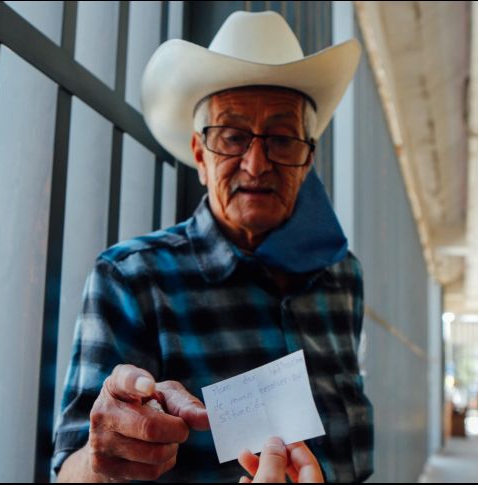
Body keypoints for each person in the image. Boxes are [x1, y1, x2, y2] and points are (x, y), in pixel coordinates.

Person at [53, 10, 372, 483]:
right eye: (233, 136)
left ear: (308, 157)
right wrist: (103, 460)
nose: (256, 163)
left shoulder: (344, 276)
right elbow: (70, 473)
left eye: (282, 138)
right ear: (200, 156)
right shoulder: (132, 280)